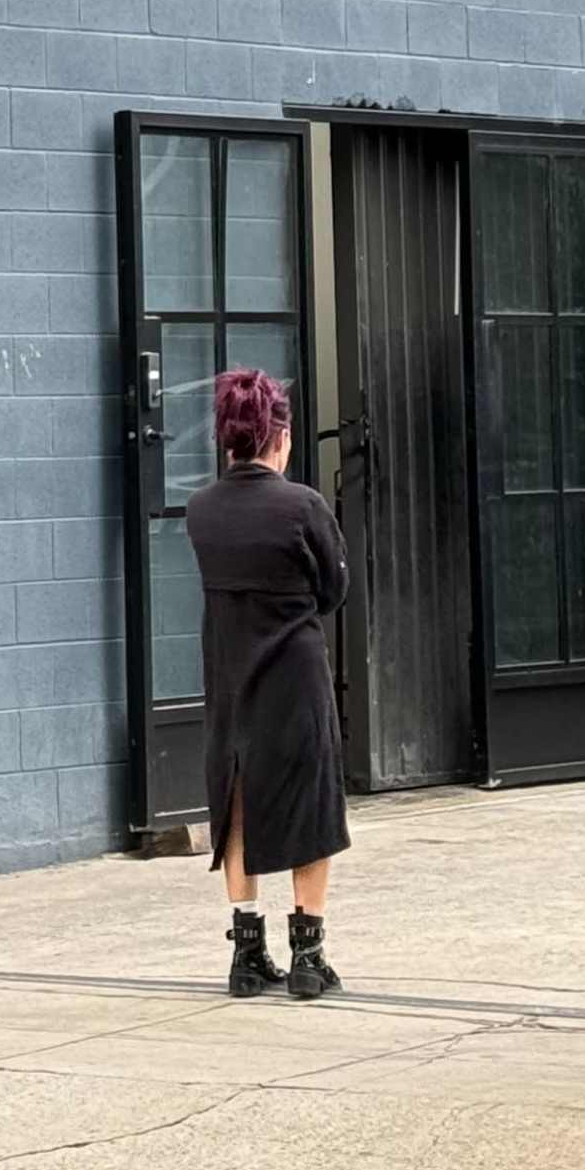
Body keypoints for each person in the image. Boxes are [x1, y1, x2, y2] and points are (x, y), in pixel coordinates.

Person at [186, 365, 350, 1000]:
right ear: (278, 438)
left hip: (230, 672)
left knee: (238, 800)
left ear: (228, 441)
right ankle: (308, 953)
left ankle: (245, 953)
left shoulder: (202, 511)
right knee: (310, 801)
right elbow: (333, 590)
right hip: (295, 673)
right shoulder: (302, 505)